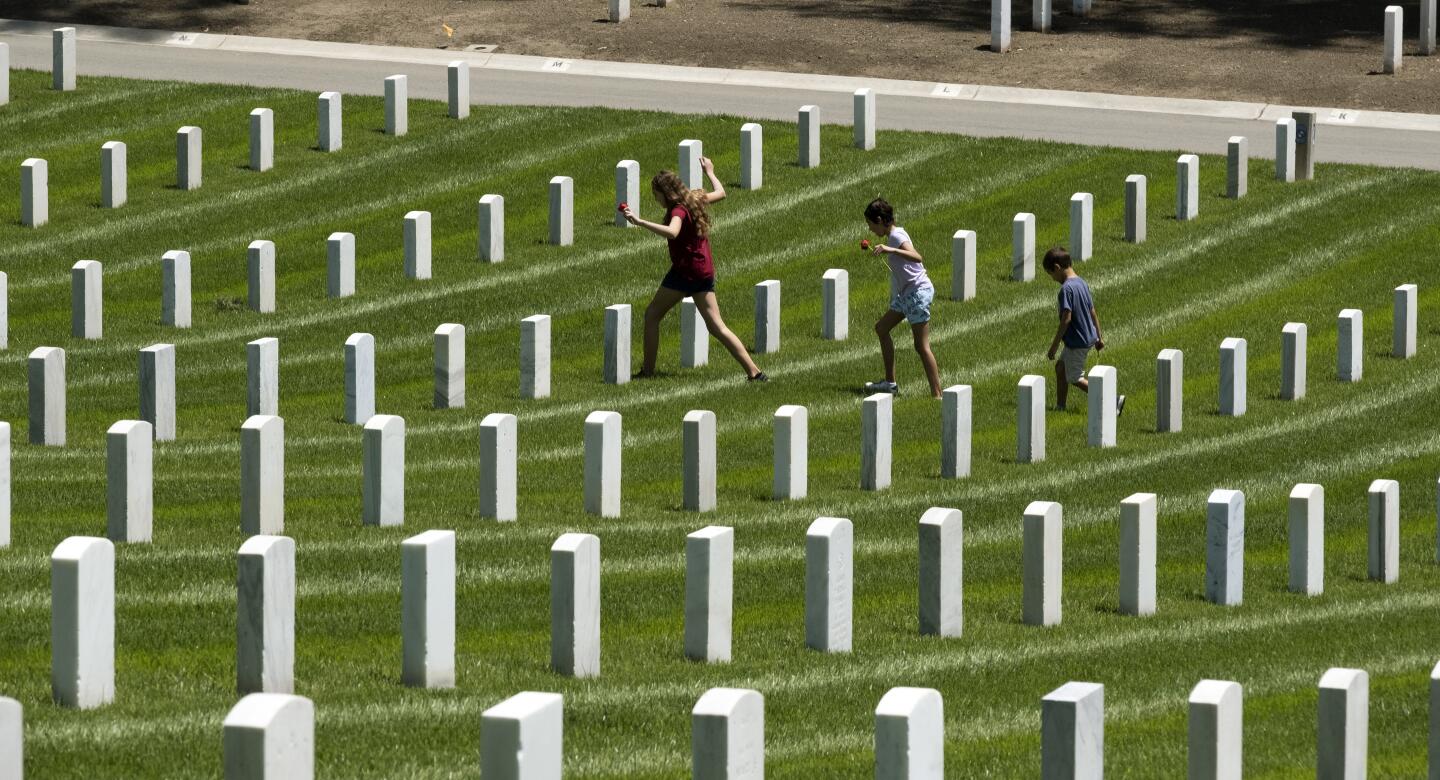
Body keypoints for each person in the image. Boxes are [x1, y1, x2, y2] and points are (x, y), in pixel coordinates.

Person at [621, 158, 767, 382]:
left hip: (685, 272)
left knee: (651, 315)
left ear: (666, 193)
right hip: (703, 270)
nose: (655, 199)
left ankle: (647, 372)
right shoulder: (694, 199)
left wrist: (640, 222)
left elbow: (672, 232)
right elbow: (721, 192)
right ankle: (754, 372)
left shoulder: (677, 210)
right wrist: (710, 171)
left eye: (656, 194)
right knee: (717, 327)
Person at [862, 198, 942, 398]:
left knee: (921, 346)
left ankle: (938, 395)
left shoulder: (896, 237)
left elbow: (917, 257)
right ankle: (890, 383)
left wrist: (891, 249)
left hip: (917, 293)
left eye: (871, 224)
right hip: (907, 294)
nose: (871, 229)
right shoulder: (895, 235)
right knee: (881, 328)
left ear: (880, 220)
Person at [1043, 247, 1124, 415]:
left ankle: (1113, 399)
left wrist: (1054, 346)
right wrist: (1099, 337)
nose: (1052, 279)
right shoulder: (1081, 282)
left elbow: (1066, 318)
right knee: (1060, 368)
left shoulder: (1066, 289)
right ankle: (1060, 406)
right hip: (1087, 337)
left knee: (1075, 377)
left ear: (1057, 268)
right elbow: (1092, 311)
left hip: (1076, 341)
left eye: (1051, 274)